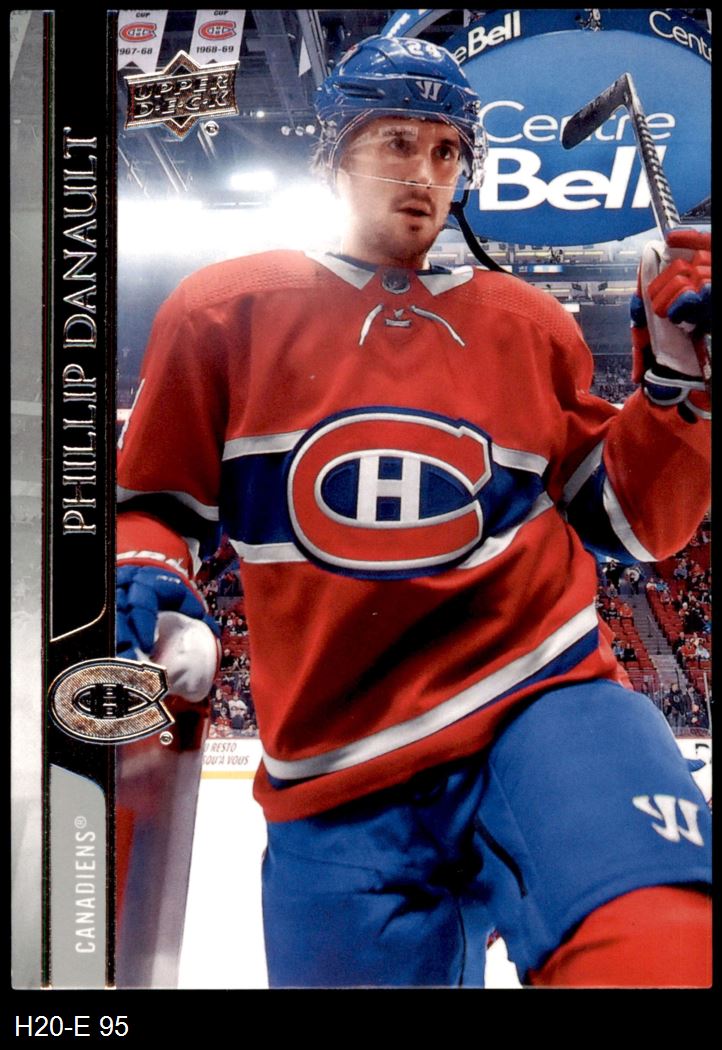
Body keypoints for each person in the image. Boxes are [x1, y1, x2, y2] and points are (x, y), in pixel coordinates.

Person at [115, 36, 711, 987]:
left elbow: (633, 526)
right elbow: (154, 505)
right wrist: (148, 565)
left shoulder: (532, 323)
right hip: (335, 762)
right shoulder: (220, 311)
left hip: (540, 698)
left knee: (660, 940)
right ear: (332, 158)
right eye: (396, 142)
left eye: (446, 151)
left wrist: (679, 390)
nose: (426, 174)